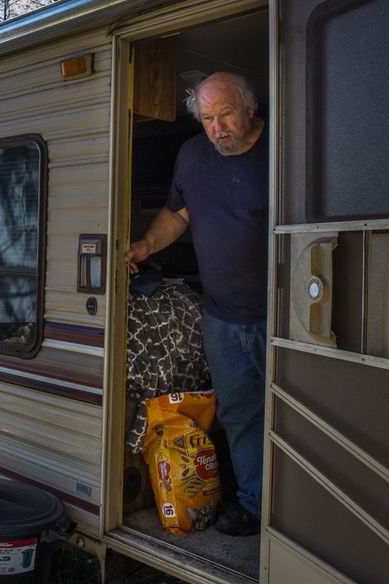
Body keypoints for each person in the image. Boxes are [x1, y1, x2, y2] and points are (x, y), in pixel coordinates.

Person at [125, 72, 268, 536]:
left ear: (249, 108)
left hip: (283, 316)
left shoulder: (283, 148)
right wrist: (147, 245)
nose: (217, 128)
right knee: (240, 413)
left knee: (296, 414)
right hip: (222, 314)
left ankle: (302, 515)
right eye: (207, 118)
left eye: (225, 114)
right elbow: (177, 214)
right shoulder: (192, 155)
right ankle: (253, 505)